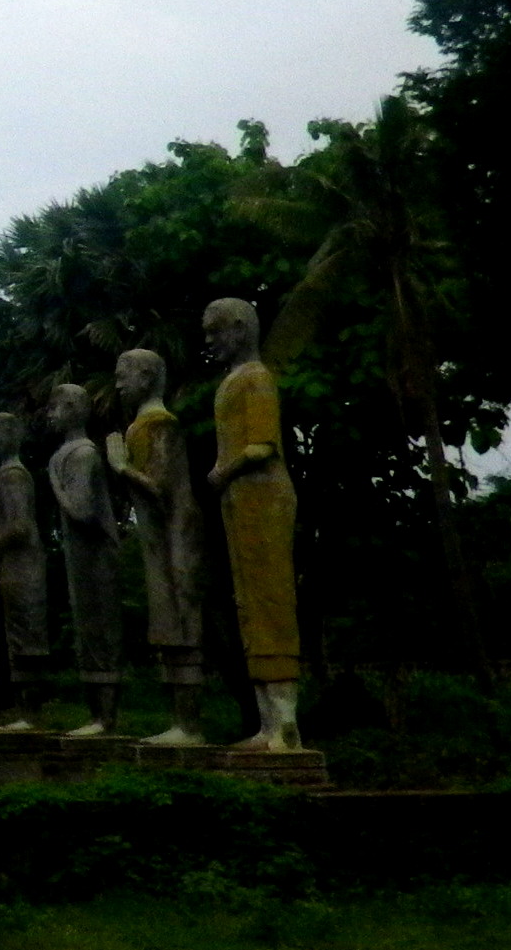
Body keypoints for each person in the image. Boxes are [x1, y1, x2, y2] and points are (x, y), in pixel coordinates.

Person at [204, 297, 304, 750]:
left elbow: (262, 446)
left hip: (263, 497)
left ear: (241, 328)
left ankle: (284, 723)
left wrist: (223, 471)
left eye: (216, 330)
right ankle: (268, 724)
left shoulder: (256, 378)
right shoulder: (233, 379)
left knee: (270, 600)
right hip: (240, 500)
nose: (210, 340)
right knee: (248, 602)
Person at [106, 347, 206, 744]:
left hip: (174, 538)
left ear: (147, 377)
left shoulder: (160, 424)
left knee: (180, 623)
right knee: (166, 627)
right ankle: (179, 722)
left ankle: (190, 725)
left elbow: (160, 487)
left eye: (124, 375)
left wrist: (121, 467)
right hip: (157, 541)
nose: (117, 384)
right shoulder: (140, 426)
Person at [45, 383, 123, 735]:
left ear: (75, 409)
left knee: (99, 630)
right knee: (86, 630)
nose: (50, 414)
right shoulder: (65, 454)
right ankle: (97, 715)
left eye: (56, 407)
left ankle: (105, 717)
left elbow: (82, 511)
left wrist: (54, 483)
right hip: (80, 556)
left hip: (96, 556)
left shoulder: (82, 454)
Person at [0, 412, 47, 728]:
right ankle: (25, 710)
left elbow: (20, 525)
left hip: (23, 565)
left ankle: (31, 712)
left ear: (11, 434)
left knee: (27, 637)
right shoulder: (4, 475)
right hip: (12, 565)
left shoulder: (13, 476)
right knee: (17, 637)